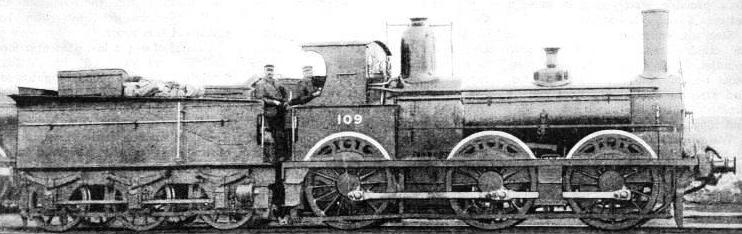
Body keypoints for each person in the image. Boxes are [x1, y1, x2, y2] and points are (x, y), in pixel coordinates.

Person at [252, 64, 288, 162]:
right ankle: (278, 155)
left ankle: (283, 154)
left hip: (280, 109)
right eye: (268, 70)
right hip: (269, 110)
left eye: (271, 70)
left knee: (283, 132)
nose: (270, 72)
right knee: (277, 132)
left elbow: (285, 93)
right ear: (264, 72)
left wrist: (284, 102)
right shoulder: (260, 84)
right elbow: (260, 98)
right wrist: (274, 102)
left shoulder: (277, 83)